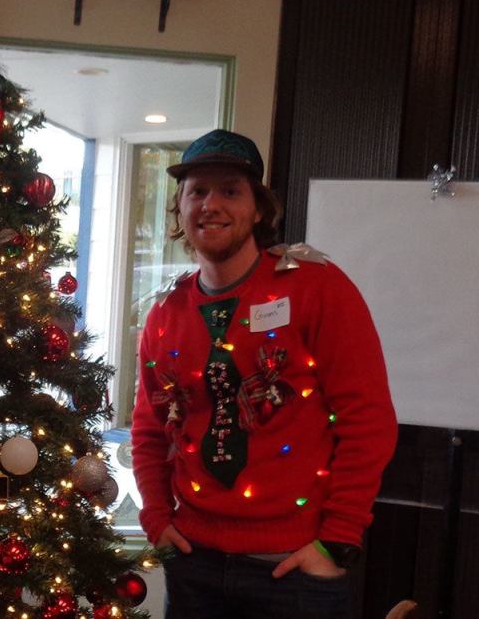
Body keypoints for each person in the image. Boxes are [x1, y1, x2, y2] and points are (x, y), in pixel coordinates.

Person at [130, 129, 397, 618]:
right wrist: (155, 517)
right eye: (197, 191)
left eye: (230, 190)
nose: (211, 204)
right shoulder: (165, 312)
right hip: (194, 563)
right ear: (180, 209)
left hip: (294, 571)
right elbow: (150, 429)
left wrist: (337, 540)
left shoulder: (317, 289)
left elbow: (369, 421)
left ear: (258, 209)